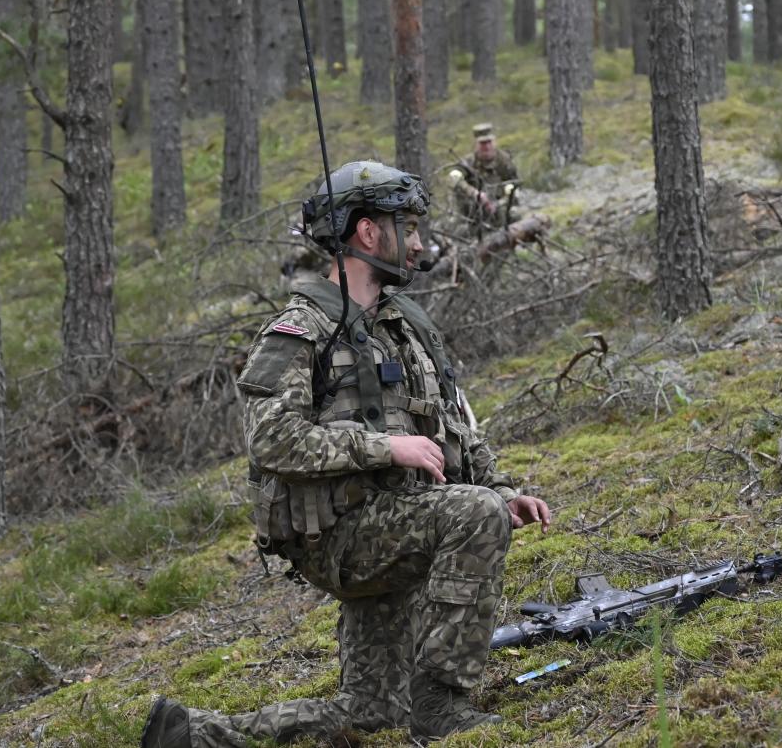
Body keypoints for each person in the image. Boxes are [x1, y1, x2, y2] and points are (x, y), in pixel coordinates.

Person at [142, 161, 551, 748]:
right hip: (342, 536)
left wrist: (505, 490)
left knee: (372, 713)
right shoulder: (300, 330)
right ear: (366, 233)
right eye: (406, 228)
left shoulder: (406, 328)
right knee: (473, 514)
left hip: (402, 526)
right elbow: (271, 439)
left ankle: (193, 735)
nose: (417, 244)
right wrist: (384, 446)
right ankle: (442, 706)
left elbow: (456, 427)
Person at [449, 123, 520, 232]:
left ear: (494, 142)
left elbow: (514, 184)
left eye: (489, 142)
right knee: (459, 229)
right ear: (476, 145)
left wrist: (499, 204)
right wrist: (475, 193)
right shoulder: (469, 162)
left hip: (499, 207)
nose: (486, 147)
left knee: (515, 215)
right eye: (482, 143)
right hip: (473, 210)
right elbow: (453, 177)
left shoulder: (504, 161)